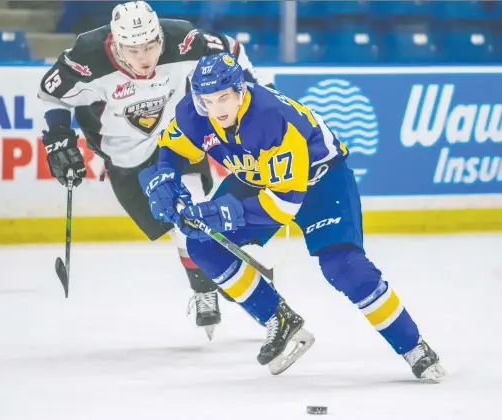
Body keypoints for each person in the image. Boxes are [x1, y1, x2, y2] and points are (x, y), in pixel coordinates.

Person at [138, 52, 447, 380]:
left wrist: (221, 212)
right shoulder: (192, 112)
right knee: (202, 246)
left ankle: (413, 346)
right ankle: (278, 318)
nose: (217, 109)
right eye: (207, 101)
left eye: (224, 98)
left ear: (241, 91)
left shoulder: (270, 118)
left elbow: (283, 205)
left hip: (321, 181)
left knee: (344, 266)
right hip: (257, 178)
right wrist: (165, 177)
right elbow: (174, 147)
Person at [37, 1, 270, 340]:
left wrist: (262, 94)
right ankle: (210, 277)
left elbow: (232, 50)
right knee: (174, 222)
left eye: (150, 46)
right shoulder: (86, 56)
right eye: (133, 49)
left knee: (192, 216)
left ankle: (207, 288)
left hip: (177, 139)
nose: (144, 57)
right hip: (123, 156)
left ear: (161, 37)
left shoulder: (185, 40)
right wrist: (57, 137)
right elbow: (50, 94)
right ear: (117, 45)